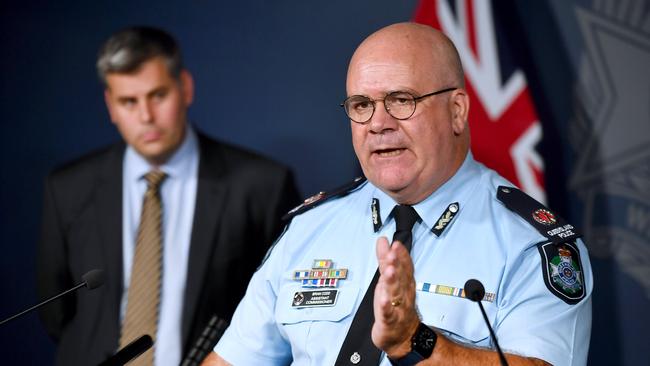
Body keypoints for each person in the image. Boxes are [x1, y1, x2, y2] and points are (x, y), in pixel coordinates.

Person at [202, 22, 592, 366]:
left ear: (457, 111)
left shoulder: (530, 246)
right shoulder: (310, 228)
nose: (378, 124)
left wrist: (415, 341)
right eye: (362, 105)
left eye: (401, 101)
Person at [37, 26, 301, 366]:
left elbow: (280, 311)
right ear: (110, 106)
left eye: (157, 95)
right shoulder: (68, 187)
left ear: (185, 88)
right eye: (128, 102)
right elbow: (55, 312)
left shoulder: (261, 185)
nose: (146, 116)